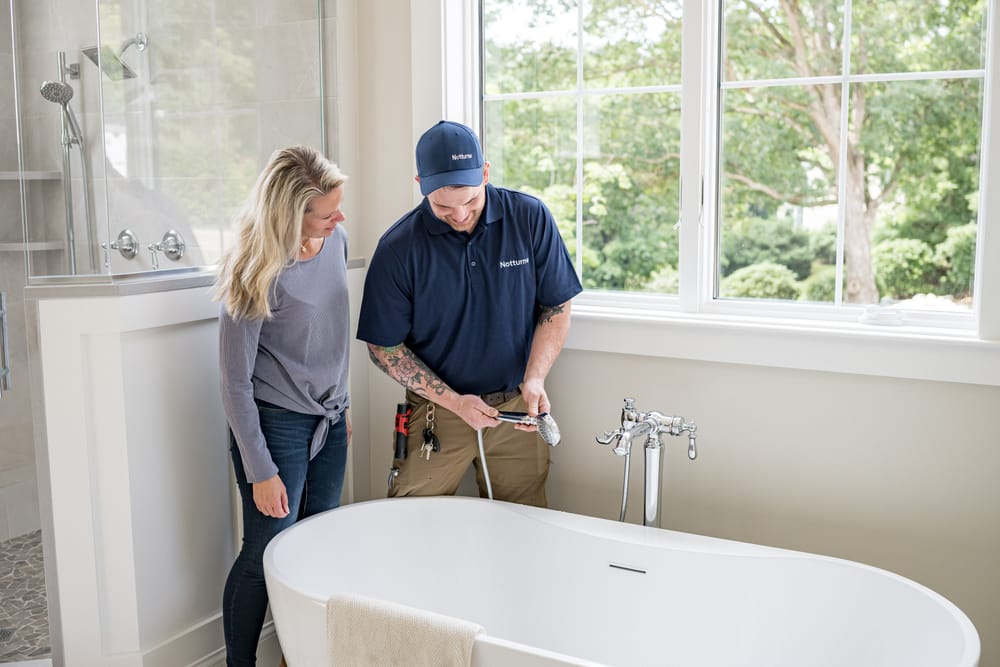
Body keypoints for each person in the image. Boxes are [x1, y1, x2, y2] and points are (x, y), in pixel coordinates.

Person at [357, 120, 582, 507]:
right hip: (436, 410)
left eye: (471, 201)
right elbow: (384, 348)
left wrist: (535, 379)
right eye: (443, 206)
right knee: (412, 520)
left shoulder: (529, 218)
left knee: (523, 527)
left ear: (486, 173)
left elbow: (556, 306)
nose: (460, 215)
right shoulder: (398, 248)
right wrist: (454, 402)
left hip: (517, 409)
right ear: (420, 183)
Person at [215, 145, 351, 666]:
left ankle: (306, 656)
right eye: (327, 211)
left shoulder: (334, 240)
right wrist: (260, 468)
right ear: (290, 212)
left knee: (321, 537)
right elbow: (234, 383)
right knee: (266, 550)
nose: (340, 217)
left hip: (330, 418)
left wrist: (342, 408)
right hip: (276, 426)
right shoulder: (252, 269)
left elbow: (334, 336)